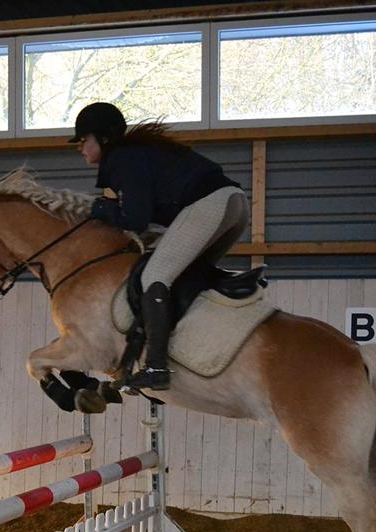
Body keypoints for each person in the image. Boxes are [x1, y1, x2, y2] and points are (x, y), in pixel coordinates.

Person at [70, 102, 249, 390]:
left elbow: (136, 219)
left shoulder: (122, 159)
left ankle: (156, 365)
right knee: (184, 274)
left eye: (83, 140)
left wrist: (101, 209)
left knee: (154, 277)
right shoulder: (138, 155)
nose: (80, 148)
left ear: (103, 138)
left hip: (210, 205)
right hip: (234, 204)